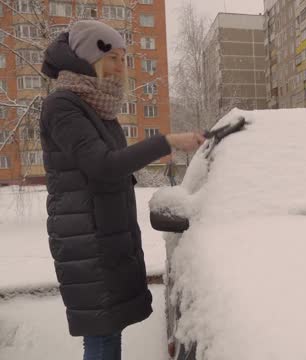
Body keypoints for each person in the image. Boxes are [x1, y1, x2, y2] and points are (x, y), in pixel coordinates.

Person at [39, 20, 205, 359]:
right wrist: (166, 142)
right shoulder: (63, 106)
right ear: (88, 58)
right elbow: (103, 166)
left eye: (123, 58)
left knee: (108, 335)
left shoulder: (96, 107)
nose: (120, 66)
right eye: (112, 57)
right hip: (86, 240)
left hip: (106, 236)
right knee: (102, 339)